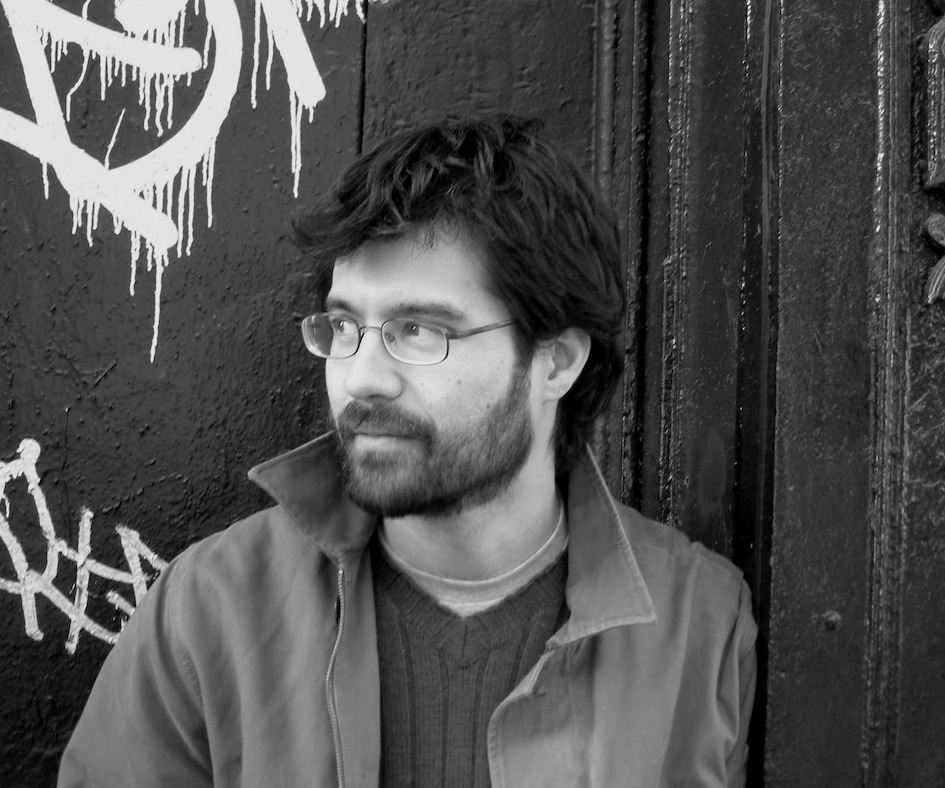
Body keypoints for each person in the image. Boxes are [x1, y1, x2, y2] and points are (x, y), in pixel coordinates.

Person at [58, 115, 757, 788]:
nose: (361, 378)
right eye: (343, 327)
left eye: (420, 330)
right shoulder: (211, 610)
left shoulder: (699, 630)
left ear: (557, 362)